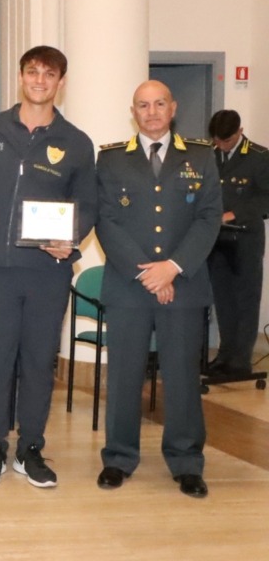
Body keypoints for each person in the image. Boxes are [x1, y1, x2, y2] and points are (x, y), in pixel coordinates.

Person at [0, 45, 96, 489]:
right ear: (22, 77)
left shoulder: (76, 142)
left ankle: (31, 447)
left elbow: (87, 205)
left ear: (61, 82)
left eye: (49, 74)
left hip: (46, 271)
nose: (40, 80)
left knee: (39, 361)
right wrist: (2, 215)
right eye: (32, 71)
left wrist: (68, 241)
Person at [94, 80, 221, 498]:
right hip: (130, 286)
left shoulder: (200, 157)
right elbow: (106, 220)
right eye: (143, 105)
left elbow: (208, 219)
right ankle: (118, 457)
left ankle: (186, 462)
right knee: (125, 376)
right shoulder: (111, 160)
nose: (151, 112)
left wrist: (172, 268)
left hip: (183, 284)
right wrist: (148, 273)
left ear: (173, 108)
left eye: (159, 103)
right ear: (133, 111)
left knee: (183, 378)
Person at [205, 109, 269, 378]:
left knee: (245, 299)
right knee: (223, 299)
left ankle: (241, 360)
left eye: (227, 141)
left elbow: (266, 198)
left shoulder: (259, 157)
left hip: (244, 238)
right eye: (218, 141)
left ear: (239, 133)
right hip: (216, 239)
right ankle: (225, 354)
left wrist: (235, 213)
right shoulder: (208, 153)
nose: (222, 146)